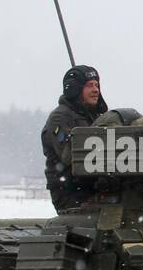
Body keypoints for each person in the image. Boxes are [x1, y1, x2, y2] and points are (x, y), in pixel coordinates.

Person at [41, 65, 108, 210]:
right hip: (72, 194)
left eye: (97, 85)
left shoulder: (96, 117)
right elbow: (70, 156)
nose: (96, 90)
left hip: (96, 190)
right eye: (89, 85)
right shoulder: (60, 118)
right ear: (75, 89)